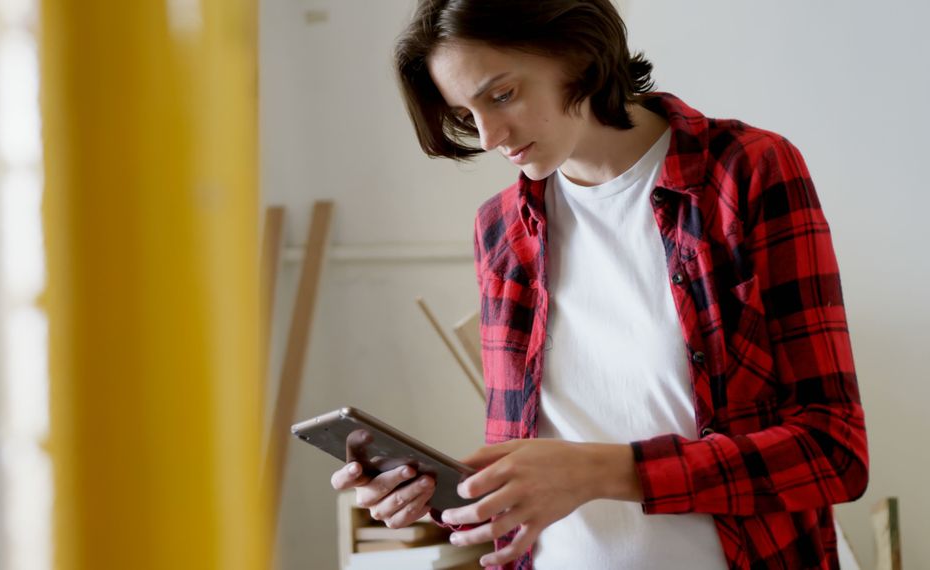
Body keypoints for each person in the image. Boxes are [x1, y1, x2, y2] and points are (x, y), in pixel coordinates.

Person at [330, 1, 869, 568]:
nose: (489, 137)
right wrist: (442, 495)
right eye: (466, 112)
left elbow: (834, 451)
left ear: (578, 53)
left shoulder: (747, 171)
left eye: (503, 94)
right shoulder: (501, 230)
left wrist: (597, 472)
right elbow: (536, 473)